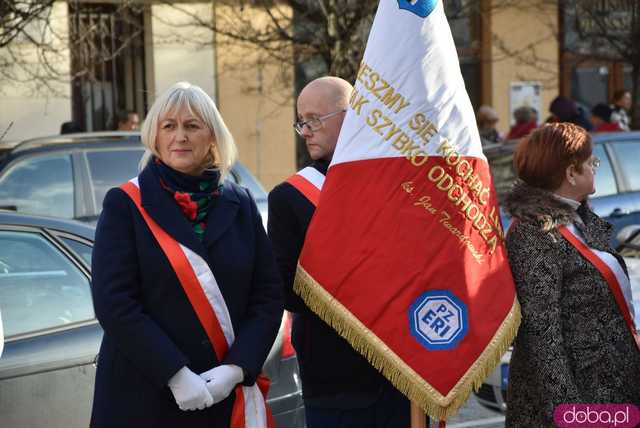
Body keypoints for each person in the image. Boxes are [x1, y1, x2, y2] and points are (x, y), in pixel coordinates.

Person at [90, 81, 283, 428]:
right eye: (169, 126)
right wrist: (175, 373)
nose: (180, 136)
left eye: (192, 125)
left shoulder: (240, 205)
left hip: (222, 397)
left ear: (212, 136)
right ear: (155, 137)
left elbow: (267, 297)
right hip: (144, 398)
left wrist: (236, 368)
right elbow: (114, 302)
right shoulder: (125, 204)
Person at [267, 76, 410, 428]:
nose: (305, 131)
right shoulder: (290, 197)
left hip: (405, 369)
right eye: (301, 121)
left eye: (314, 119)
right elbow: (285, 289)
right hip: (334, 376)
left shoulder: (397, 184)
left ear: (352, 115)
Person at [503, 123, 640, 427]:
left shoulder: (582, 217)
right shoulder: (533, 233)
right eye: (592, 162)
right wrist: (571, 413)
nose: (595, 168)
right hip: (577, 396)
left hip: (608, 384)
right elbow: (542, 333)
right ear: (571, 173)